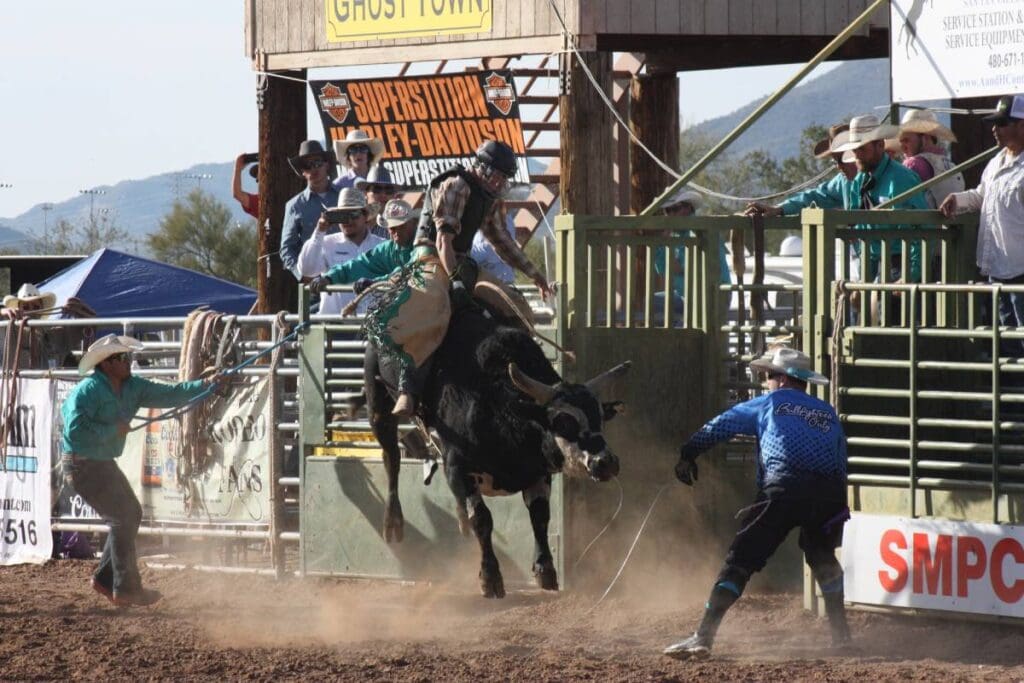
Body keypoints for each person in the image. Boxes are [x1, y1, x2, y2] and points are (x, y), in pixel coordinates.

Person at [664, 347, 850, 659]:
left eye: (767, 376)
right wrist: (837, 506)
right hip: (828, 493)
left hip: (784, 487)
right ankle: (842, 636)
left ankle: (703, 636)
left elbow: (721, 426)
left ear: (781, 379)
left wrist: (688, 452)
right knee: (822, 556)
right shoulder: (825, 412)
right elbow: (841, 458)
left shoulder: (770, 403)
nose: (765, 382)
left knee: (740, 560)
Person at [365, 139, 552, 418]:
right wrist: (454, 282)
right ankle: (409, 388)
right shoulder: (457, 185)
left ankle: (525, 378)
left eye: (504, 177)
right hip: (429, 256)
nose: (501, 182)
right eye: (498, 174)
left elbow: (502, 240)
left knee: (514, 305)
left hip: (461, 260)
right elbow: (443, 242)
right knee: (429, 309)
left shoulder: (488, 196)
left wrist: (535, 274)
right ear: (483, 168)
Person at [60, 334, 227, 607]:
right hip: (82, 463)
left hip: (98, 462)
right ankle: (124, 587)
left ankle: (107, 579)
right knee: (123, 516)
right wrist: (111, 430)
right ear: (106, 364)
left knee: (127, 515)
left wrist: (206, 385)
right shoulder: (88, 390)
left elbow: (172, 394)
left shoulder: (133, 388)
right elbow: (74, 429)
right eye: (122, 358)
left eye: (128, 357)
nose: (128, 362)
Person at [940, 94, 1024, 354]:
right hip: (998, 268)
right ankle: (1012, 392)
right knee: (1006, 339)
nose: (995, 129)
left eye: (1002, 123)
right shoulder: (996, 161)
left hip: (1020, 268)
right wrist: (959, 199)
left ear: (1021, 125)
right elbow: (981, 195)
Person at [834, 114, 930, 283]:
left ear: (880, 145)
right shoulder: (859, 182)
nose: (857, 155)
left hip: (900, 263)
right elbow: (860, 229)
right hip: (875, 264)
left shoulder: (902, 178)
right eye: (855, 150)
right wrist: (865, 278)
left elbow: (922, 228)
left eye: (862, 149)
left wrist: (910, 274)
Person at [298, 188, 385, 316]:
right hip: (334, 324)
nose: (348, 221)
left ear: (365, 216)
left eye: (353, 215)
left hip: (372, 325)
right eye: (342, 216)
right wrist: (319, 231)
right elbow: (307, 270)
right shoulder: (326, 243)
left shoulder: (382, 245)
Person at [745, 124, 858, 217]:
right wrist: (779, 209)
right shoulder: (844, 182)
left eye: (842, 159)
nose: (838, 166)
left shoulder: (872, 175)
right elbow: (816, 197)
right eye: (835, 161)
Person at [653, 188, 731, 312]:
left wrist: (663, 243)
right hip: (690, 294)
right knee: (654, 301)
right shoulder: (679, 234)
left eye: (675, 209)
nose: (671, 215)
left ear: (687, 209)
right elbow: (663, 269)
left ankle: (680, 328)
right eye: (667, 211)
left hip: (713, 295)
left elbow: (677, 268)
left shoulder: (697, 231)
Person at [280, 140, 340, 281]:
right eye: (308, 166)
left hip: (345, 278)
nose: (314, 169)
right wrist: (301, 275)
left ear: (327, 164)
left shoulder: (343, 198)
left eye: (318, 163)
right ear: (303, 172)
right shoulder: (294, 206)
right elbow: (286, 249)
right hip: (314, 285)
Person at [898, 109, 964, 208]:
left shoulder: (913, 164)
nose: (902, 147)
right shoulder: (950, 165)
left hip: (925, 222)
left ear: (925, 138)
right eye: (901, 142)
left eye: (906, 140)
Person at [355, 165, 404, 239]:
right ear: (365, 193)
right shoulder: (353, 221)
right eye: (377, 189)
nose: (383, 195)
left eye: (388, 190)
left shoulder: (400, 227)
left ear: (394, 195)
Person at [231, 152, 260, 219]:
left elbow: (237, 194)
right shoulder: (260, 202)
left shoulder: (261, 202)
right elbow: (237, 194)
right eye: (257, 180)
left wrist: (238, 168)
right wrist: (238, 169)